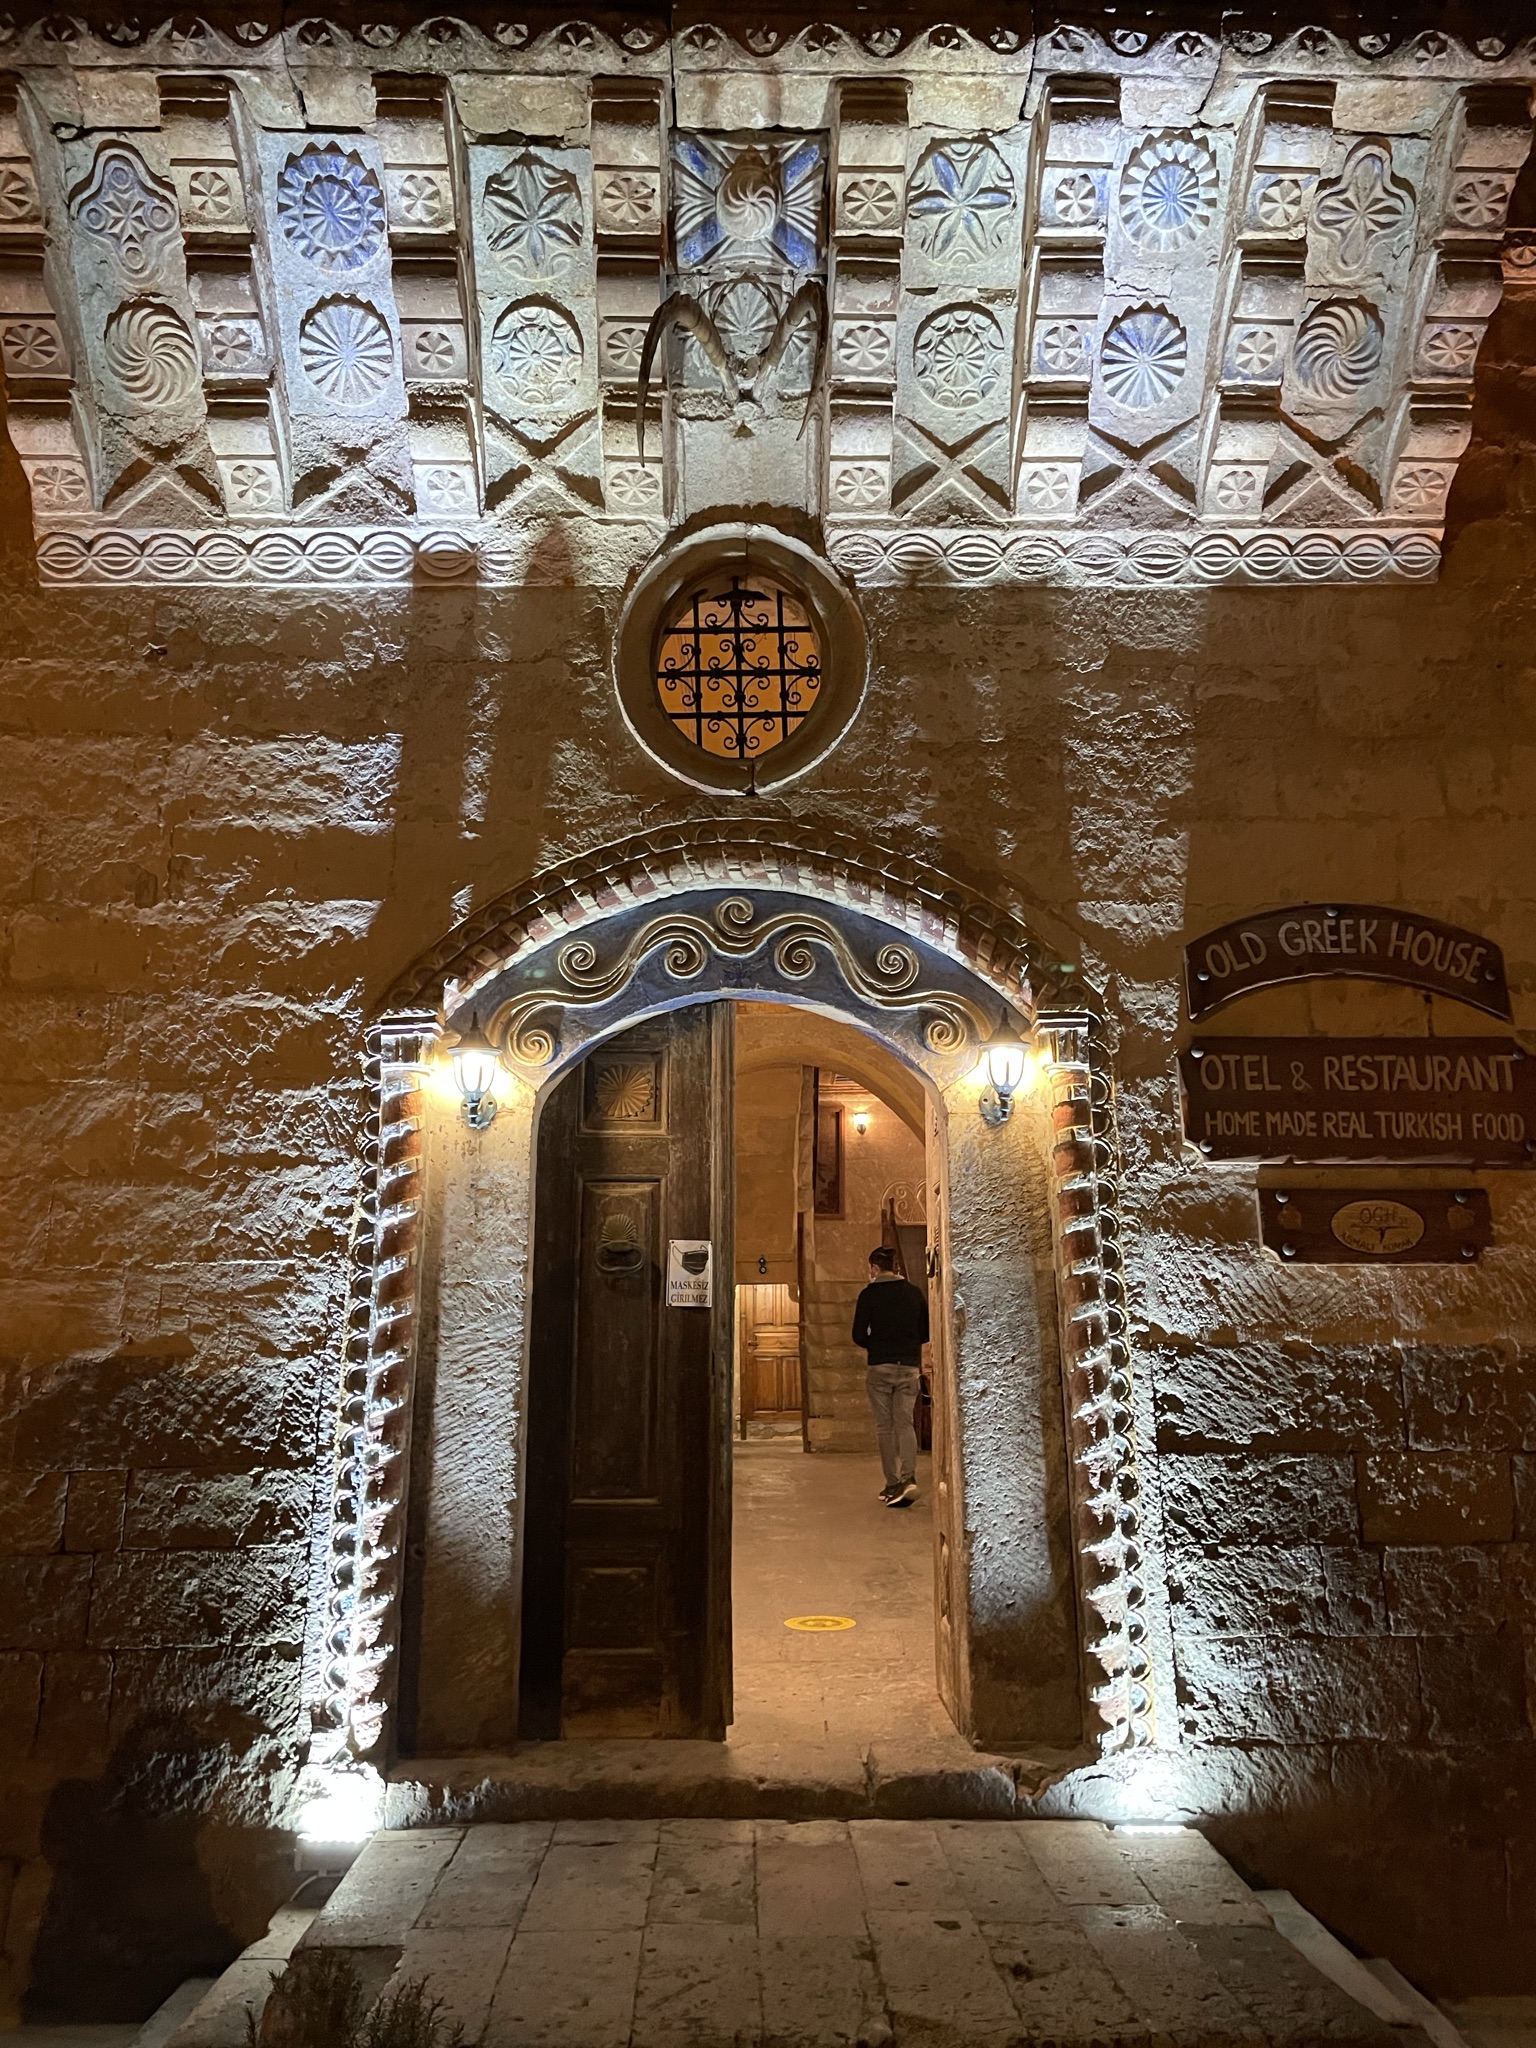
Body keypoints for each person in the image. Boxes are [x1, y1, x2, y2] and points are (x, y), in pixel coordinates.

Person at [851, 1246, 930, 1506]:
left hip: (880, 1367)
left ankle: (892, 1484)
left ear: (874, 1268)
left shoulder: (869, 1295)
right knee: (904, 1423)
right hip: (908, 1367)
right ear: (895, 1267)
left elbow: (858, 1335)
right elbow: (925, 1333)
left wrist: (876, 1344)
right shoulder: (915, 1293)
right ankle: (910, 1479)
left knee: (885, 1427)